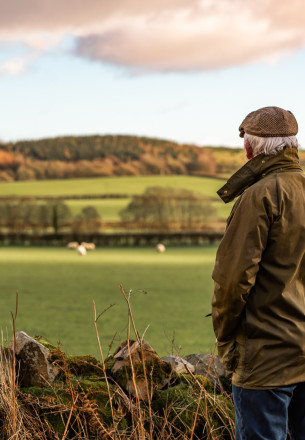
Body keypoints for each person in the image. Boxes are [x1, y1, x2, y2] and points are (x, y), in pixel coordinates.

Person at [211, 106, 305, 440]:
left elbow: (232, 282)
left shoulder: (259, 196)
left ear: (249, 149)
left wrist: (225, 340)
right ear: (292, 145)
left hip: (267, 360)